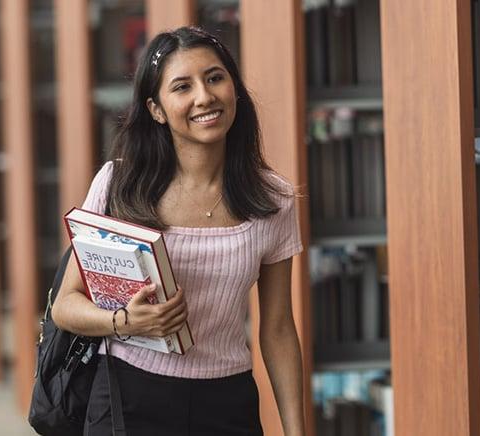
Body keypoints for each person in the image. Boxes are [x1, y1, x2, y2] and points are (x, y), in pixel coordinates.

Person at [51, 26, 305, 436]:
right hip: (128, 393)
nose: (204, 97)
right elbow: (66, 306)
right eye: (182, 87)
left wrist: (296, 431)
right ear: (156, 109)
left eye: (215, 78)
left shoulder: (273, 198)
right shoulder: (120, 185)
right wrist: (125, 322)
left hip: (227, 400)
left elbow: (277, 328)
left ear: (234, 89)